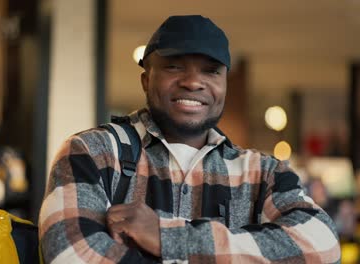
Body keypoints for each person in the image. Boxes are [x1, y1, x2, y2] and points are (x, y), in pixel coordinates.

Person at [39, 15, 341, 263]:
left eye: (210, 71)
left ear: (224, 84)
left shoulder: (264, 173)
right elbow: (70, 255)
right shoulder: (93, 153)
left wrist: (166, 237)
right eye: (174, 66)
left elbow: (322, 246)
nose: (194, 81)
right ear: (146, 79)